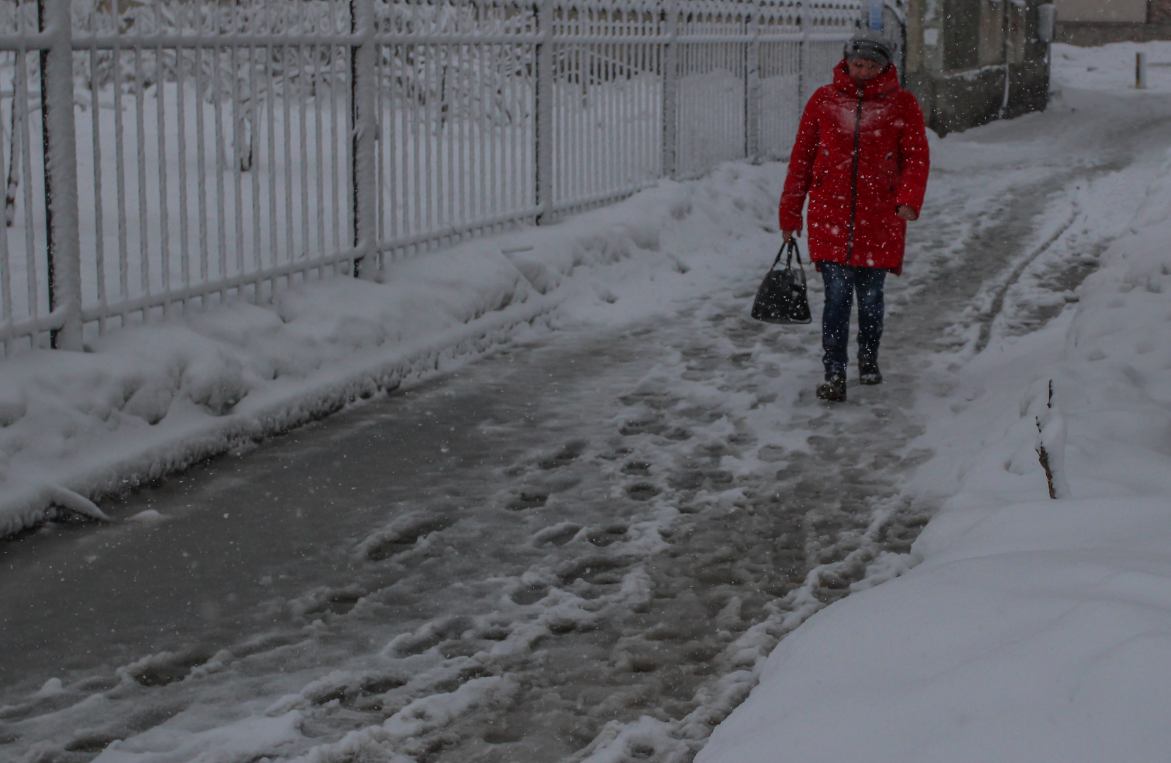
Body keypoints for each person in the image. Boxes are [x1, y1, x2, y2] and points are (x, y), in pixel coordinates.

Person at [778, 30, 930, 402]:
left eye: (871, 65)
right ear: (846, 60)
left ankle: (868, 356)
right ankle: (834, 372)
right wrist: (790, 213)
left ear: (885, 66)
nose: (863, 71)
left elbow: (916, 158)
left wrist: (908, 199)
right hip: (829, 215)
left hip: (879, 219)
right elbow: (802, 159)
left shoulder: (902, 104)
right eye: (857, 63)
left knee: (872, 297)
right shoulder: (823, 101)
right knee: (836, 298)